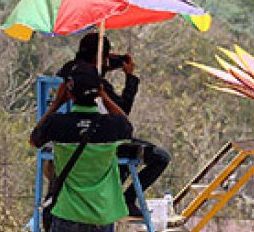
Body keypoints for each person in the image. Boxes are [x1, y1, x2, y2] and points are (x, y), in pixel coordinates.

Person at [31, 63, 133, 232]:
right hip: (102, 215)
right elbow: (127, 125)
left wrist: (56, 104)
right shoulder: (112, 126)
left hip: (68, 213)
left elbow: (35, 139)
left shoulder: (58, 125)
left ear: (69, 90)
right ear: (98, 90)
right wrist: (105, 98)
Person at [58, 32, 170, 217]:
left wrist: (109, 64)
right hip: (101, 141)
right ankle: (127, 198)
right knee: (160, 157)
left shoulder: (68, 73)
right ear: (98, 56)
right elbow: (122, 112)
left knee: (125, 144)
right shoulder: (97, 84)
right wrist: (130, 78)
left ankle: (117, 193)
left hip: (69, 138)